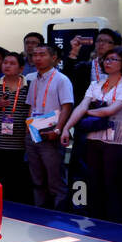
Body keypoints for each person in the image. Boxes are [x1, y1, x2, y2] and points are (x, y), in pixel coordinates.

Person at [62, 46, 122, 224]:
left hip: (118, 139)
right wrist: (67, 127)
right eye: (106, 59)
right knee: (94, 182)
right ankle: (97, 222)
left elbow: (110, 110)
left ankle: (116, 224)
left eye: (113, 59)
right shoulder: (96, 84)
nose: (108, 62)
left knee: (113, 184)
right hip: (93, 136)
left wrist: (89, 111)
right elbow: (82, 106)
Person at [24, 43, 74, 209]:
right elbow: (32, 105)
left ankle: (60, 216)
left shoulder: (61, 79)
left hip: (51, 131)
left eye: (42, 54)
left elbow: (67, 106)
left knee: (55, 180)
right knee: (37, 179)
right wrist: (28, 128)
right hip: (34, 132)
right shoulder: (34, 79)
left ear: (54, 58)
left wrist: (58, 129)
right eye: (35, 54)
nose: (37, 58)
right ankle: (40, 214)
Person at [0, 51, 32, 204]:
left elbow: (32, 111)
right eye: (5, 63)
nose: (7, 66)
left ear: (21, 68)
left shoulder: (28, 87)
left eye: (12, 63)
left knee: (17, 179)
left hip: (20, 143)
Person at [65, 28, 121, 103]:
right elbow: (66, 79)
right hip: (85, 108)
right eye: (99, 41)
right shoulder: (85, 67)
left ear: (116, 46)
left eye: (107, 41)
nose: (101, 44)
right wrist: (74, 51)